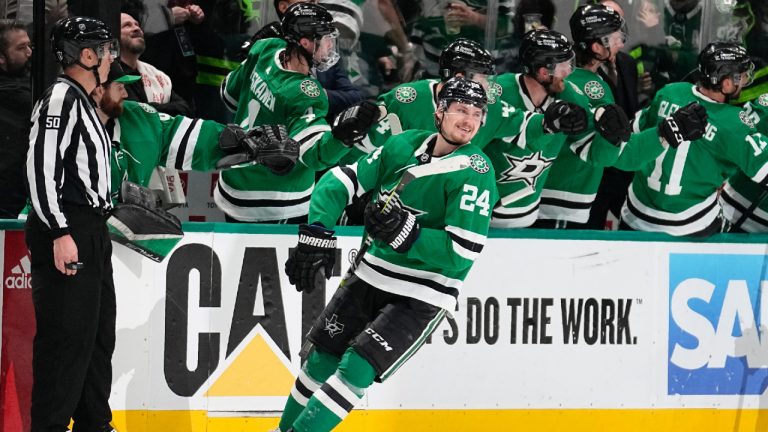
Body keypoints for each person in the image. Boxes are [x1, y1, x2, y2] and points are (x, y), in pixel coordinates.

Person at [278, 77, 497, 432]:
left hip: (422, 293)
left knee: (357, 369)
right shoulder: (403, 145)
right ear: (439, 112)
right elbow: (338, 182)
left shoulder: (476, 172)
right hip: (370, 274)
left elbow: (461, 253)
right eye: (460, 109)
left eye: (476, 113)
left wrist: (409, 235)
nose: (468, 119)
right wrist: (318, 231)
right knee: (319, 362)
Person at [91, 62, 298, 260]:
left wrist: (245, 143)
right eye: (119, 88)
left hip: (125, 251)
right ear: (98, 91)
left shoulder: (136, 118)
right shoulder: (68, 128)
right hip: (80, 244)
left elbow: (185, 136)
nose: (126, 94)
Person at [25, 16, 119, 432]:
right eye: (105, 50)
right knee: (66, 343)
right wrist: (60, 232)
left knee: (97, 340)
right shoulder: (62, 97)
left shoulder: (83, 101)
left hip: (91, 230)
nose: (111, 58)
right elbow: (40, 170)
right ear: (86, 55)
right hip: (69, 228)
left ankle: (95, 423)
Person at [216, 2, 379, 223]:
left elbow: (229, 94)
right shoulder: (306, 92)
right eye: (325, 38)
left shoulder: (266, 48)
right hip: (277, 199)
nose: (331, 45)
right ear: (305, 42)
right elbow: (315, 156)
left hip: (233, 184)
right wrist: (343, 137)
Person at [484, 29, 632, 228]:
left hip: (529, 218)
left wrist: (611, 139)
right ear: (544, 72)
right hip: (482, 216)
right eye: (564, 66)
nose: (569, 72)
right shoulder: (496, 91)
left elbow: (593, 152)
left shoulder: (569, 94)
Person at [620, 42, 768, 237]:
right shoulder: (734, 124)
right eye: (740, 76)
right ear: (726, 83)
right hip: (689, 226)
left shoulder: (670, 92)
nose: (744, 80)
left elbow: (633, 130)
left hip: (635, 213)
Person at [535, 3, 627, 228]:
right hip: (563, 196)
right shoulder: (585, 84)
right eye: (615, 38)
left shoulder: (568, 74)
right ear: (597, 47)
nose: (621, 43)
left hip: (555, 191)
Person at [239, 0, 363, 122]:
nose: (314, 4)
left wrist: (318, 95)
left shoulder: (324, 51)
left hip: (314, 132)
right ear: (283, 6)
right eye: (307, 2)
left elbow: (355, 97)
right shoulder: (268, 43)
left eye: (314, 2)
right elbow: (242, 83)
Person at [118, 10, 192, 116]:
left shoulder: (156, 75)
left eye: (137, 25)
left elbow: (184, 108)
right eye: (127, 25)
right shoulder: (111, 73)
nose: (137, 28)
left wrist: (152, 107)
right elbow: (136, 112)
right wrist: (165, 108)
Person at [0, 19, 32, 218]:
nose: (29, 52)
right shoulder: (17, 95)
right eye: (21, 48)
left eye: (30, 45)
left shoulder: (28, 84)